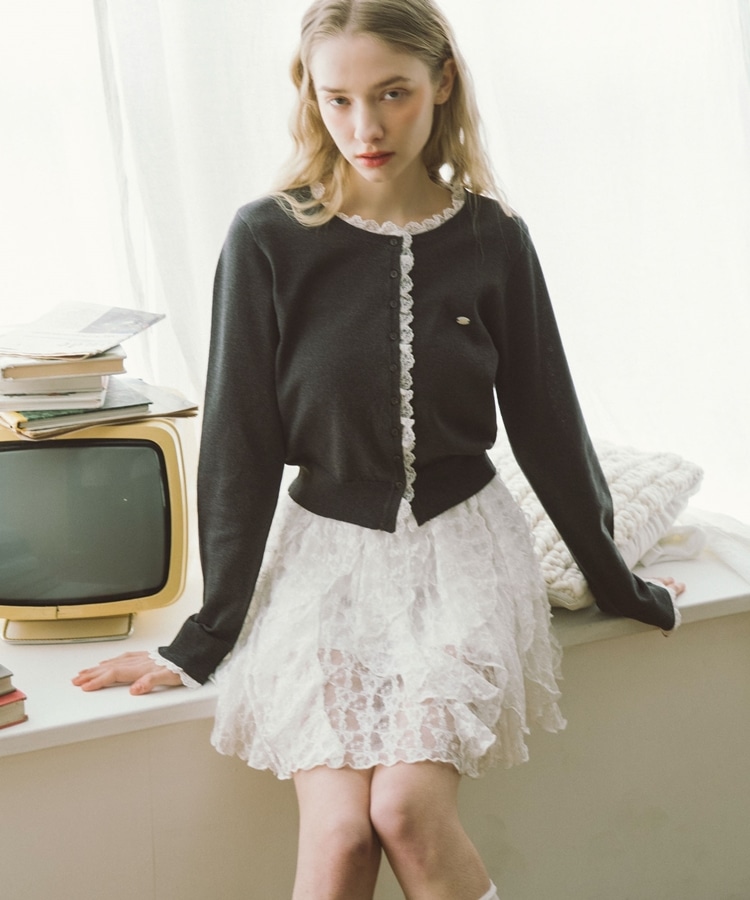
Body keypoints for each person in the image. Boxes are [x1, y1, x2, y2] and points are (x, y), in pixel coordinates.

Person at [73, 1, 685, 897]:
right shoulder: (267, 239)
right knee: (339, 842)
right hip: (322, 567)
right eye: (340, 99)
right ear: (310, 97)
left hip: (462, 553)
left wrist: (618, 581)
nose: (366, 127)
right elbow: (239, 448)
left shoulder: (493, 239)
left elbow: (549, 423)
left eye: (393, 94)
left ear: (442, 83)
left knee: (404, 812)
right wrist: (201, 641)